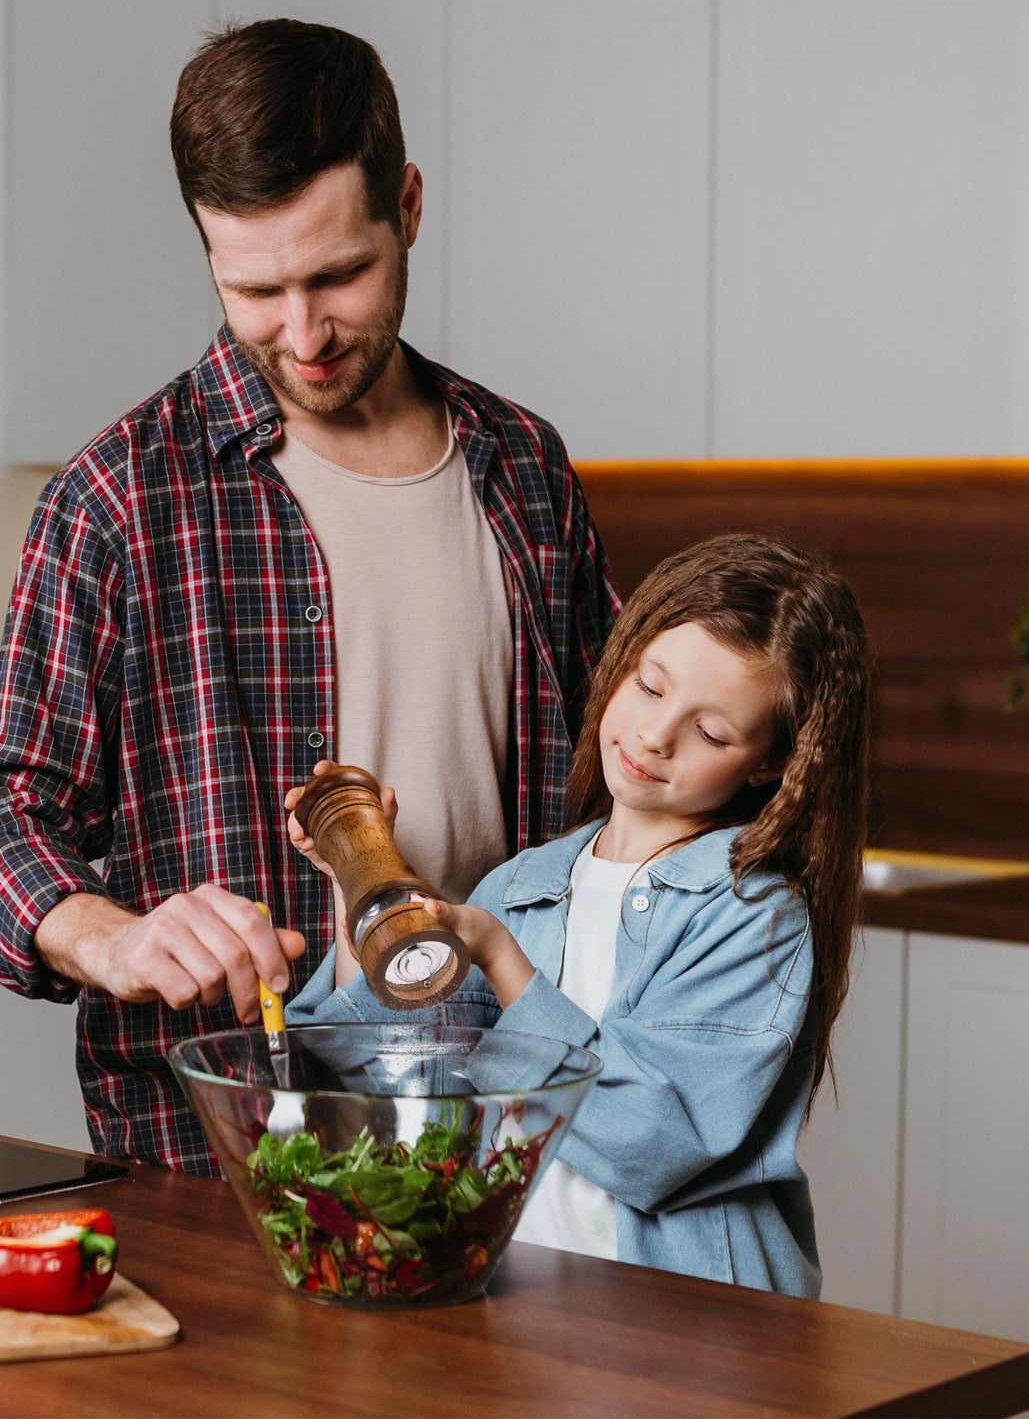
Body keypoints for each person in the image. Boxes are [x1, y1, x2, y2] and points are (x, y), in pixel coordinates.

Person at [0, 19, 619, 1177]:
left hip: (509, 1128)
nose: (300, 335)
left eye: (338, 274)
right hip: (227, 1151)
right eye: (254, 288)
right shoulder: (119, 495)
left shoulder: (521, 466)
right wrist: (110, 934)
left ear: (405, 204)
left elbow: (618, 784)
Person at [287, 534, 872, 1297]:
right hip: (518, 1307)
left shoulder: (752, 915)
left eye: (710, 732)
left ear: (768, 764)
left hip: (687, 1327)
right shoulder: (520, 885)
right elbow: (390, 1068)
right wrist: (357, 881)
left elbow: (652, 1143)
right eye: (649, 686)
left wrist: (502, 961)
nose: (654, 735)